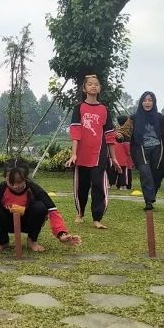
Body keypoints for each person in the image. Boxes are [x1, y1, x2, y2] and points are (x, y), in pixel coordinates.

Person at [0, 158, 82, 252]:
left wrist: (62, 234)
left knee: (40, 207)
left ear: (26, 178)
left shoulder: (34, 189)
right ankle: (3, 241)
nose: (14, 185)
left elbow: (53, 212)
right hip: (6, 222)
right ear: (4, 178)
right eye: (10, 181)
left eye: (19, 181)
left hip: (28, 223)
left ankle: (32, 240)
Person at [65, 74, 121, 229]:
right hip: (82, 155)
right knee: (81, 187)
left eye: (96, 84)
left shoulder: (105, 110)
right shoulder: (79, 108)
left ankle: (97, 218)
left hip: (99, 156)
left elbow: (109, 135)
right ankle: (80, 213)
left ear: (100, 88)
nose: (93, 86)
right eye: (90, 84)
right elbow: (75, 131)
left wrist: (114, 158)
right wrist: (74, 154)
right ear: (84, 88)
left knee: (98, 186)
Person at [116, 92, 164, 210]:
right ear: (141, 102)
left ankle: (151, 198)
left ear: (154, 102)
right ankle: (148, 200)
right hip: (140, 149)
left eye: (150, 100)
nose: (147, 103)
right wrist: (120, 135)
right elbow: (125, 130)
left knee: (155, 175)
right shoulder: (134, 117)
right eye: (145, 100)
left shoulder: (159, 118)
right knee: (145, 173)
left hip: (157, 149)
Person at [108, 115, 131, 190]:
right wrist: (129, 153)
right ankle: (122, 185)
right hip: (123, 156)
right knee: (123, 171)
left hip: (114, 154)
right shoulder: (127, 133)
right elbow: (127, 146)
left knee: (113, 170)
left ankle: (110, 184)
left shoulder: (115, 132)